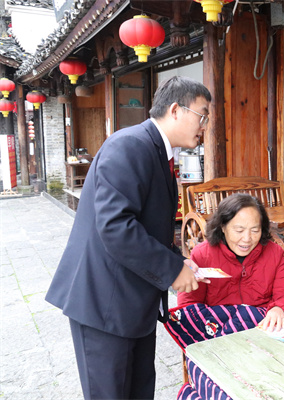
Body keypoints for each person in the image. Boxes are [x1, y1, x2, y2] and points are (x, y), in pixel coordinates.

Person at [45, 76, 212, 399]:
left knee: (138, 391)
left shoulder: (157, 151)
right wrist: (172, 271)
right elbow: (115, 226)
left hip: (132, 302)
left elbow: (147, 226)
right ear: (175, 110)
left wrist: (179, 262)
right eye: (202, 115)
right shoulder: (130, 145)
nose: (204, 126)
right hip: (104, 303)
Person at [177, 193, 284, 332]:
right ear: (223, 227)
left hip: (260, 328)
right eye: (239, 230)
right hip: (216, 330)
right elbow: (188, 306)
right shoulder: (202, 255)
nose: (247, 239)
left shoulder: (273, 253)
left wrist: (279, 309)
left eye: (255, 230)